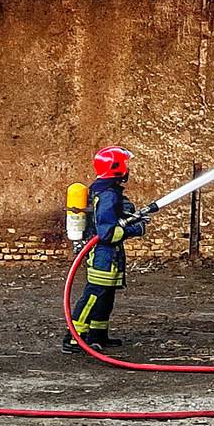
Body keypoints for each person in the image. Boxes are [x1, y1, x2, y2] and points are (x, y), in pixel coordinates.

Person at [62, 145, 160, 354]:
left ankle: (98, 335)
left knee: (106, 296)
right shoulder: (108, 195)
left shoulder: (106, 190)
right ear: (116, 168)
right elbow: (107, 233)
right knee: (94, 295)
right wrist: (135, 229)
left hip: (109, 256)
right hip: (103, 255)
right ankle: (74, 338)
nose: (127, 169)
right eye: (124, 165)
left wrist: (127, 212)